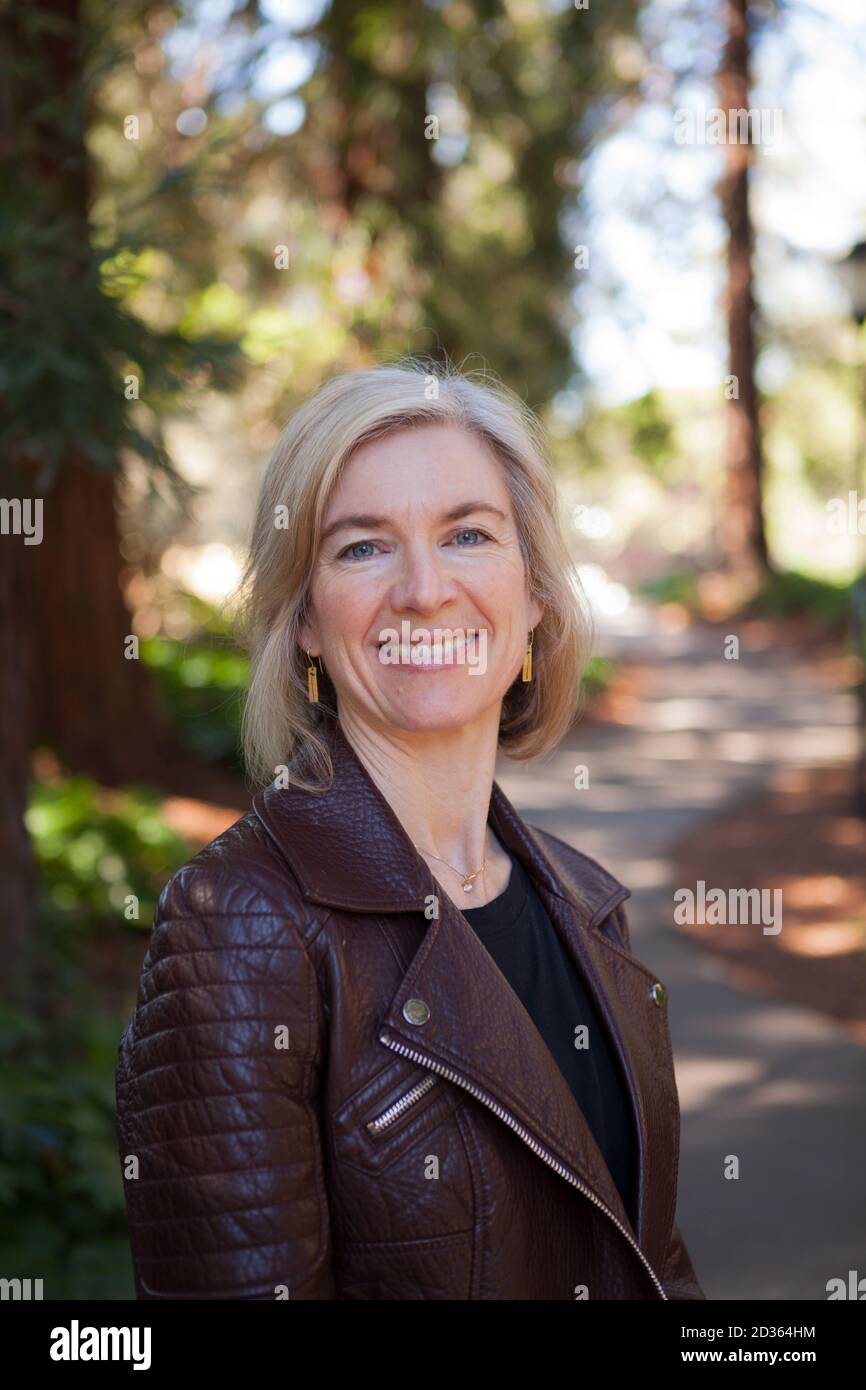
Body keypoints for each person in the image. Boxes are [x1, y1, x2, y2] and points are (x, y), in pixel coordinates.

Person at [115, 360, 705, 1301]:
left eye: (467, 534)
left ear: (534, 595)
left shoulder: (586, 902)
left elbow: (649, 1262)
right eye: (362, 548)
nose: (425, 590)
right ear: (306, 618)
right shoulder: (239, 926)